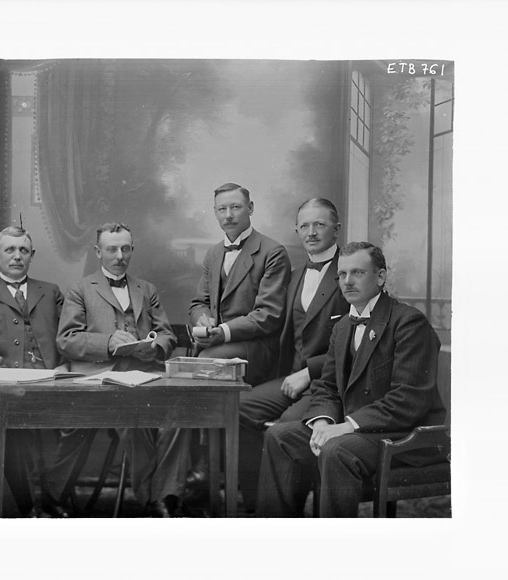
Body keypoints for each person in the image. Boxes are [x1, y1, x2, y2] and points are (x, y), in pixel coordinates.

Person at [256, 242, 446, 517]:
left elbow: (408, 399)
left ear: (380, 277)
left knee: (336, 449)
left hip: (401, 434)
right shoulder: (343, 326)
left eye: (357, 273)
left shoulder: (408, 323)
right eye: (342, 274)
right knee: (279, 436)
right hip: (356, 429)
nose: (347, 281)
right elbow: (326, 386)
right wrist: (323, 422)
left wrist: (347, 426)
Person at [53, 222, 188, 517]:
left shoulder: (146, 289)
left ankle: (164, 494)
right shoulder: (80, 289)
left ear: (132, 250)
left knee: (179, 417)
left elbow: (167, 334)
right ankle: (153, 500)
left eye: (125, 249)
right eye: (112, 249)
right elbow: (66, 340)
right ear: (97, 252)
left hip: (146, 375)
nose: (119, 256)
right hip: (102, 379)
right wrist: (108, 342)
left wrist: (155, 347)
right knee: (133, 418)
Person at [236, 198, 348, 511]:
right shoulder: (296, 275)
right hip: (291, 379)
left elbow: (358, 343)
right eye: (304, 226)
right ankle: (258, 506)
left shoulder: (350, 274)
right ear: (296, 230)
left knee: (286, 428)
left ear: (336, 229)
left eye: (320, 224)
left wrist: (310, 372)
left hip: (332, 385)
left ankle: (285, 515)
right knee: (238, 407)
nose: (311, 232)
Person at [0, 225, 66, 517]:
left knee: (70, 428)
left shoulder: (51, 292)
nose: (17, 256)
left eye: (23, 250)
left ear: (32, 255)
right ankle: (24, 509)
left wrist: (63, 366)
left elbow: (67, 336)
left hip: (49, 382)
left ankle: (53, 497)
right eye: (9, 250)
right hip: (6, 386)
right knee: (12, 430)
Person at [189, 182, 291, 387]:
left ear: (250, 208)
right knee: (190, 365)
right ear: (215, 212)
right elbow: (199, 303)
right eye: (222, 209)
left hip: (257, 347)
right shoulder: (213, 254)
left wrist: (223, 333)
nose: (228, 215)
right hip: (215, 344)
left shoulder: (273, 252)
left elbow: (268, 314)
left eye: (235, 207)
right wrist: (203, 321)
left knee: (205, 361)